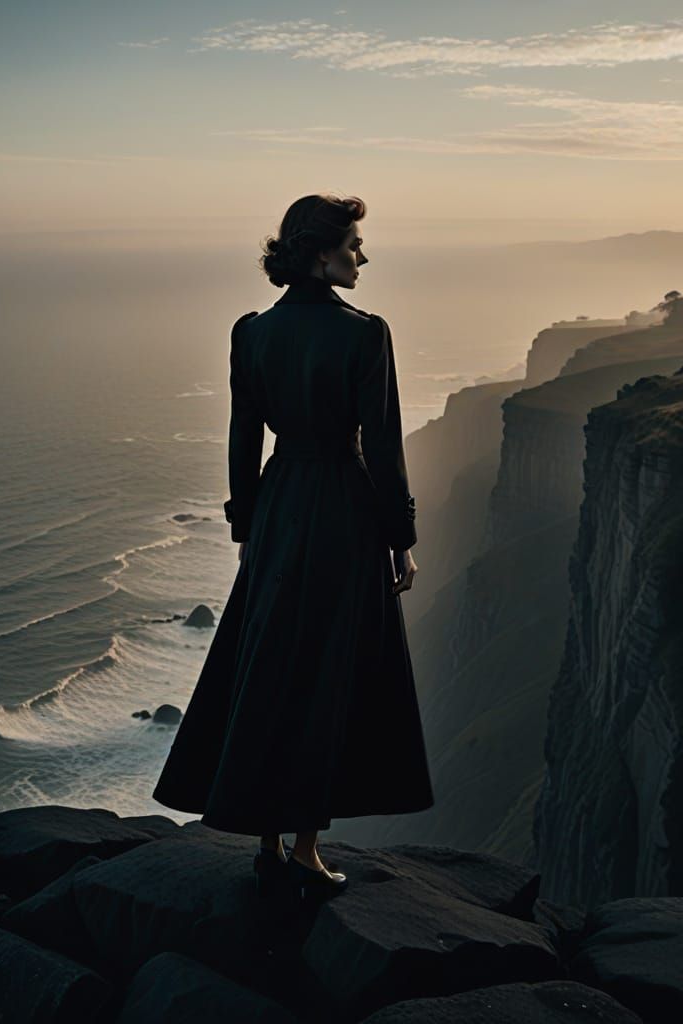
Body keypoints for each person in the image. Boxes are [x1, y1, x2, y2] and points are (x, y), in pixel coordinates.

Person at [151, 193, 434, 902]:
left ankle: (269, 841)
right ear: (320, 254)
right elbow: (384, 448)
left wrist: (247, 525)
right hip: (341, 506)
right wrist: (400, 536)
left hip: (280, 504)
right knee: (326, 667)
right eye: (354, 244)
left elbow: (243, 437)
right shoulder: (366, 334)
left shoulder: (250, 332)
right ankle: (306, 848)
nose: (362, 256)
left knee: (271, 656)